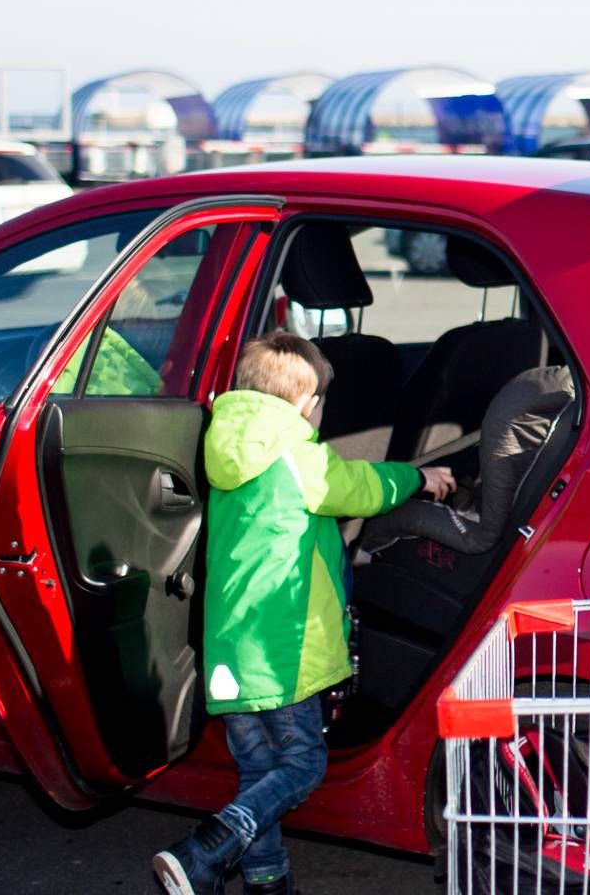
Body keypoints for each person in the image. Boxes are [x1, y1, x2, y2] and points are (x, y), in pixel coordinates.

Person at [153, 333, 454, 895]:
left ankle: (268, 881)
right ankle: (208, 847)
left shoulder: (228, 446)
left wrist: (343, 549)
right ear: (305, 404)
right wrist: (418, 477)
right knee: (303, 764)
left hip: (229, 647)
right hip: (283, 648)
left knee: (258, 770)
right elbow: (357, 488)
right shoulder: (296, 453)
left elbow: (286, 524)